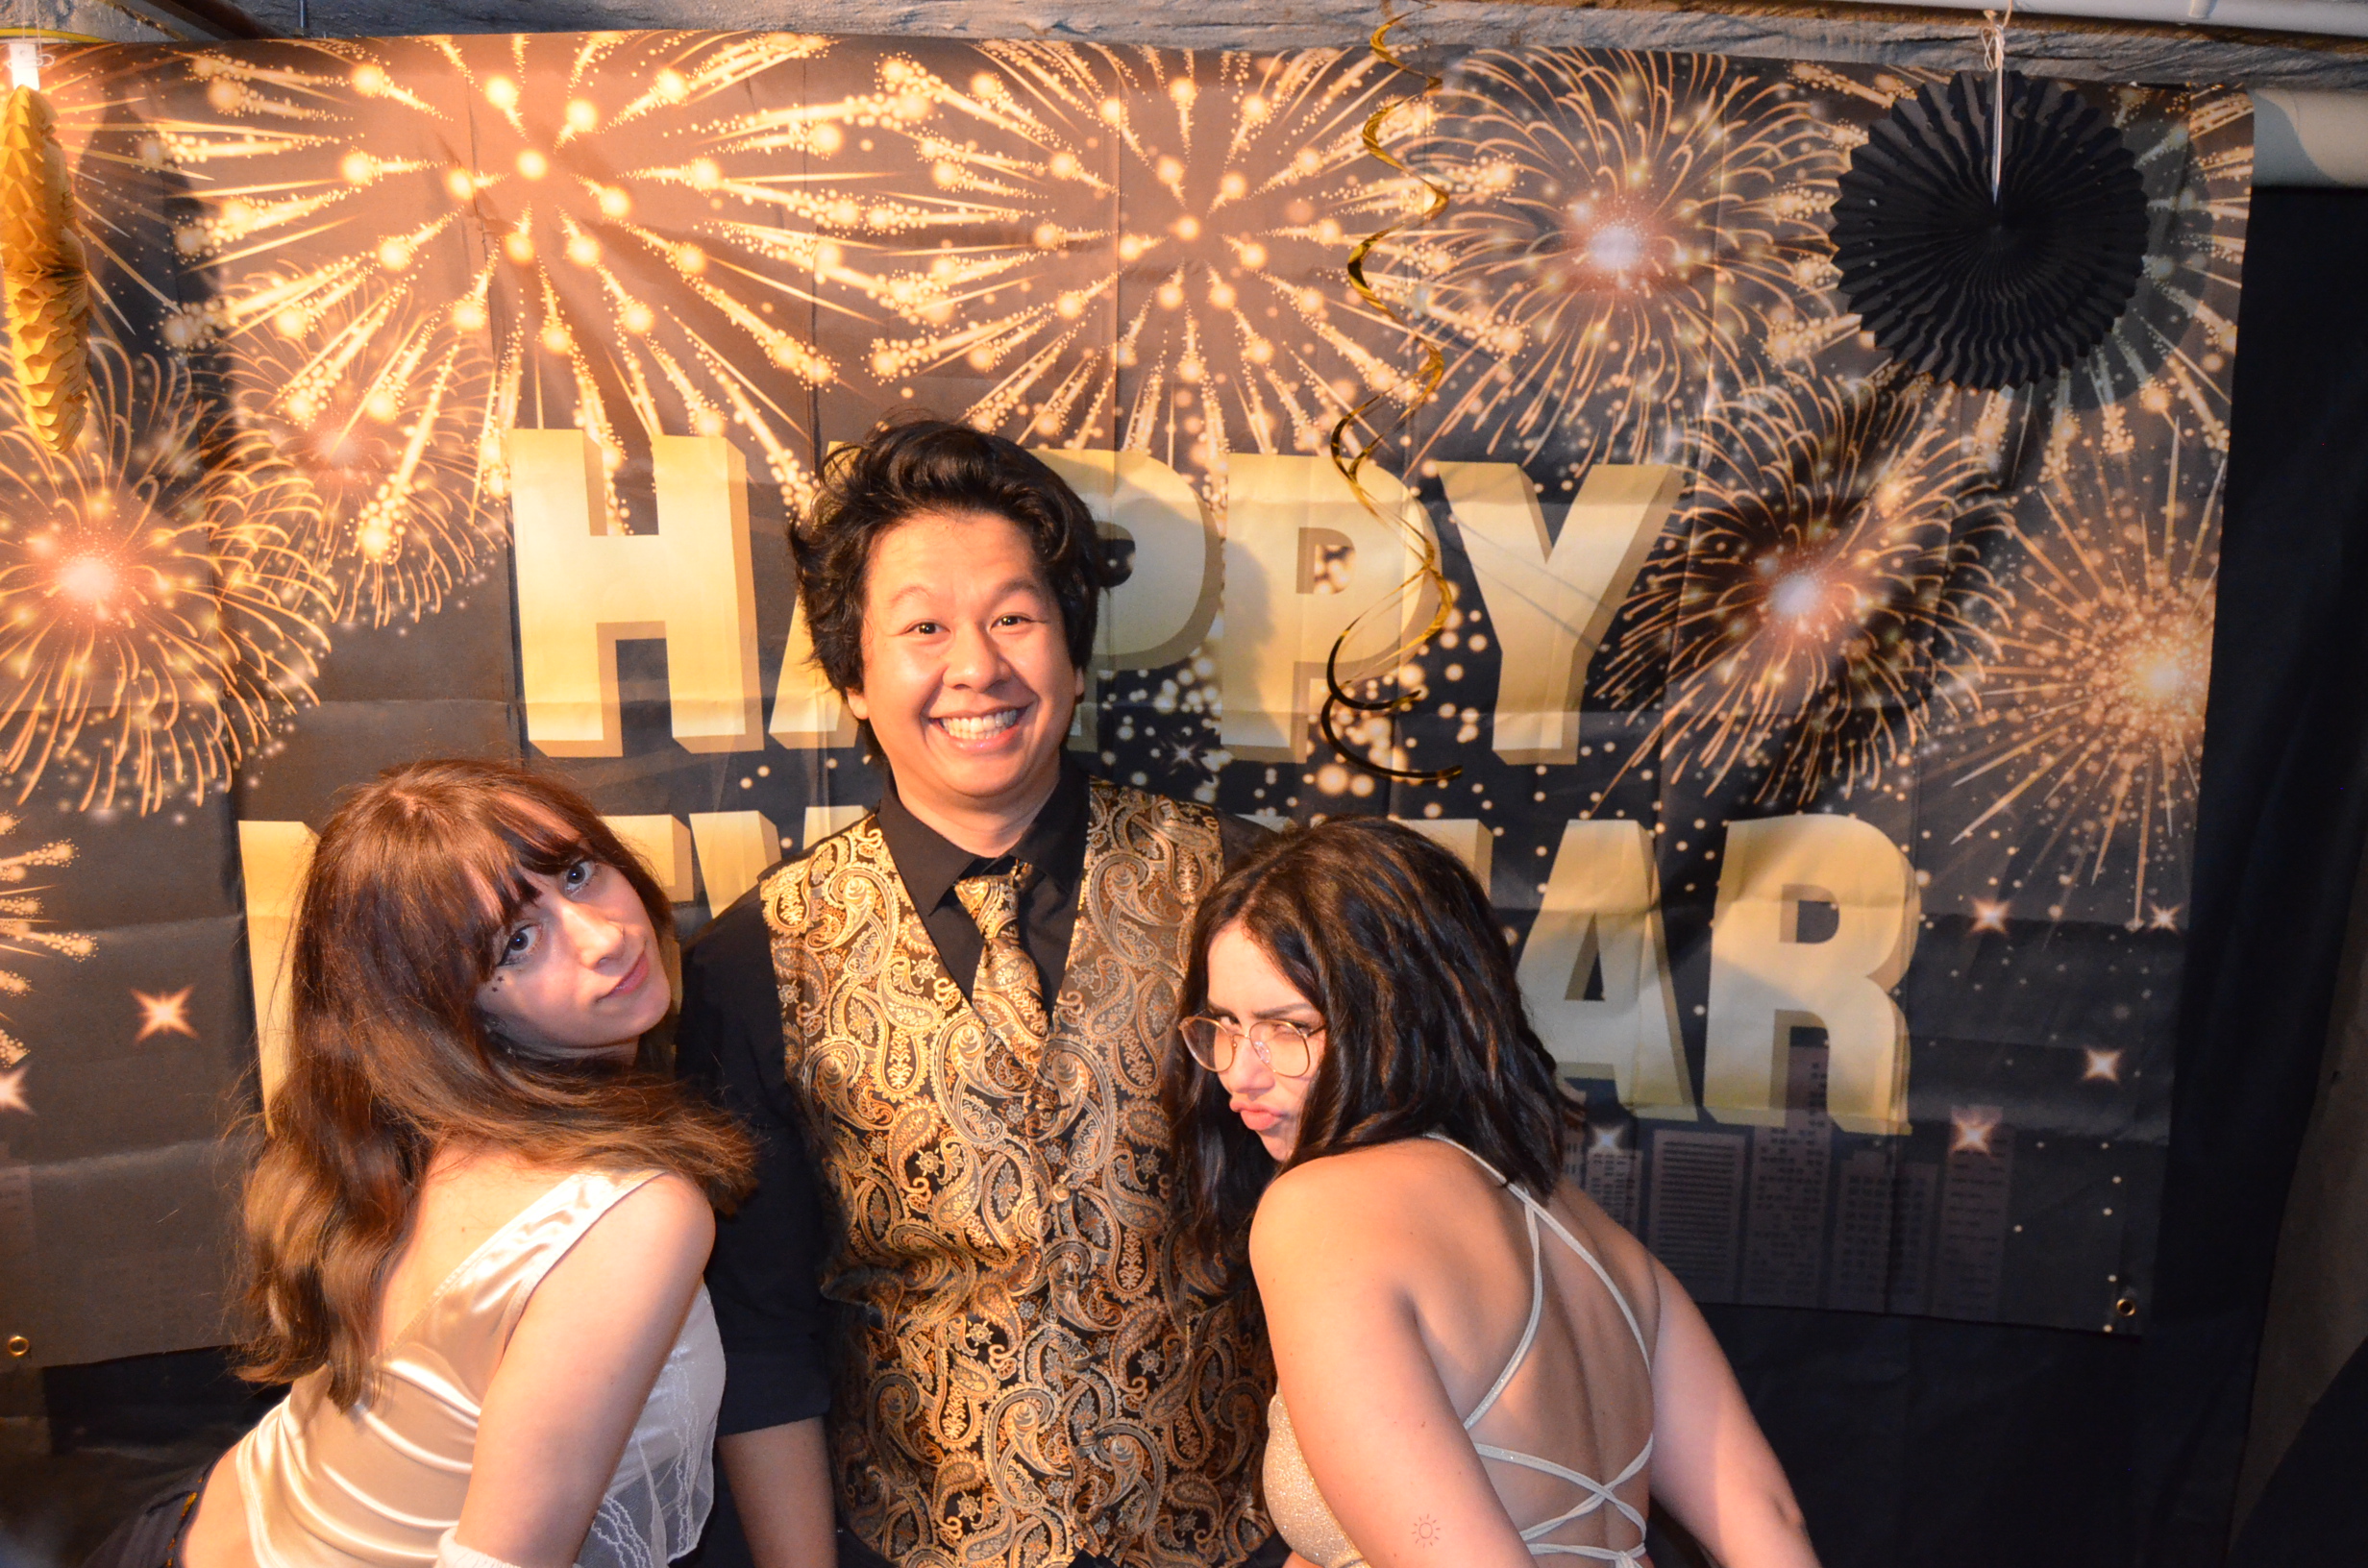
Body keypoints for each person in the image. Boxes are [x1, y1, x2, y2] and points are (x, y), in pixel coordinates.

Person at [677, 417, 1276, 1568]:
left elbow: (1356, 1213)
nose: (977, 668)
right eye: (923, 628)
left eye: (1013, 618)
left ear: (1073, 653)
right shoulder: (758, 957)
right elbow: (759, 1331)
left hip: (1232, 1537)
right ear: (854, 678)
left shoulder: (1242, 890)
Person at [93, 759, 753, 1568]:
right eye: (517, 942)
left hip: (190, 1524)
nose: (605, 937)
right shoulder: (632, 1214)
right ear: (443, 1003)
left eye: (578, 873)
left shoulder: (410, 1122)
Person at [1163, 818, 1822, 1568]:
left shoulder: (1318, 1209)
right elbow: (1772, 1527)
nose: (1239, 1072)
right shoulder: (1595, 1237)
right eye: (1224, 1024)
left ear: (1399, 1013)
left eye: (1288, 1028)